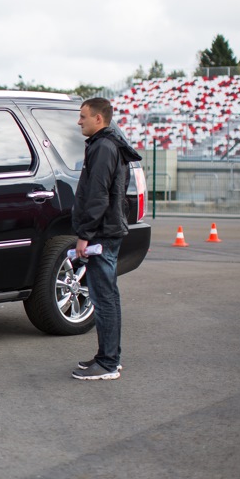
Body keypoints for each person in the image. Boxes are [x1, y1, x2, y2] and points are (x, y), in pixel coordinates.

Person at [70, 97, 142, 381]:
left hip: (102, 233)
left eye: (83, 116)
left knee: (105, 298)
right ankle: (107, 357)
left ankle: (109, 363)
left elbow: (98, 196)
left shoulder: (103, 147)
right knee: (106, 296)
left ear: (98, 119)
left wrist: (84, 235)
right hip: (108, 231)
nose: (79, 121)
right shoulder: (109, 144)